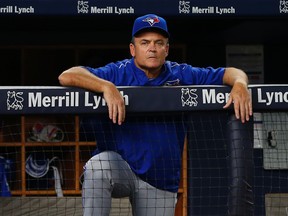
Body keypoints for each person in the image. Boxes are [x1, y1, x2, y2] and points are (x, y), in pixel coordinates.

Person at [58, 14, 253, 216]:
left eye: (158, 43)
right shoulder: (118, 72)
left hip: (160, 178)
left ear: (166, 49)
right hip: (122, 168)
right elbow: (67, 75)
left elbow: (232, 72)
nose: (152, 48)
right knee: (97, 167)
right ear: (133, 49)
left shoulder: (181, 74)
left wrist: (240, 84)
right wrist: (105, 86)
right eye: (145, 43)